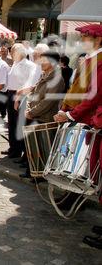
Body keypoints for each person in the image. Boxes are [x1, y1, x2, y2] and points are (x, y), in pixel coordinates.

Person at [52, 24, 102, 250]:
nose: (82, 40)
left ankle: (76, 199)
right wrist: (67, 107)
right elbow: (78, 89)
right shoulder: (89, 59)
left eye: (86, 37)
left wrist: (71, 113)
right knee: (81, 166)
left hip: (91, 120)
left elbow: (93, 96)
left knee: (91, 169)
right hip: (85, 118)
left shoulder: (99, 61)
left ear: (97, 39)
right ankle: (72, 197)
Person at [14, 51, 64, 177]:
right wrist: (29, 108)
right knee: (34, 147)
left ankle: (41, 175)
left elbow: (48, 102)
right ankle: (33, 172)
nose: (41, 63)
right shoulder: (44, 75)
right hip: (35, 115)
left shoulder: (56, 79)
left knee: (43, 148)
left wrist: (31, 112)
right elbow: (33, 93)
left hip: (45, 118)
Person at [5, 44, 37, 159]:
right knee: (11, 123)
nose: (11, 53)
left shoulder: (29, 65)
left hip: (21, 95)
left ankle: (21, 150)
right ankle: (13, 148)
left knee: (20, 124)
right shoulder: (15, 64)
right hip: (11, 93)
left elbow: (29, 84)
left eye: (13, 51)